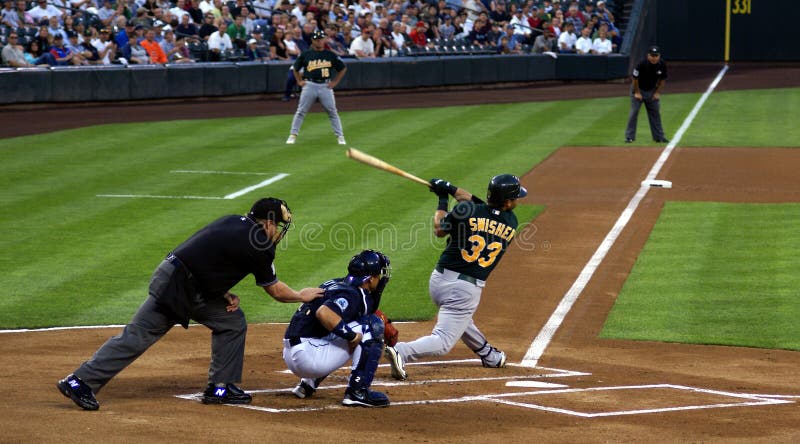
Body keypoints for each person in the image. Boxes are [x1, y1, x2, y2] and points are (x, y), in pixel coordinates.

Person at [56, 197, 323, 411]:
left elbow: (210, 258)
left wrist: (221, 293)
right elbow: (275, 291)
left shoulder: (234, 221)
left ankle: (221, 387)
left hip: (183, 277)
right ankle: (80, 381)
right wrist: (302, 295)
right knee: (140, 334)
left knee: (230, 321)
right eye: (278, 226)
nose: (278, 233)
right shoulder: (259, 242)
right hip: (178, 285)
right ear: (267, 223)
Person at [384, 174, 528, 380]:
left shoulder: (465, 210)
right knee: (443, 342)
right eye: (515, 198)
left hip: (439, 281)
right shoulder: (511, 222)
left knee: (461, 318)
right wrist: (450, 188)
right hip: (465, 290)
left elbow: (440, 228)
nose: (517, 201)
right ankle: (402, 351)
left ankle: (489, 355)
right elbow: (479, 206)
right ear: (506, 202)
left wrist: (443, 198)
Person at [283, 250, 392, 407]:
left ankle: (308, 384)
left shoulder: (338, 284)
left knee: (347, 325)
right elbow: (324, 313)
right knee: (371, 327)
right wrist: (352, 337)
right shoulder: (353, 295)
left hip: (293, 352)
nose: (380, 278)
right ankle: (358, 392)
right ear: (369, 279)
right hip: (309, 357)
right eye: (378, 275)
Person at [286, 29, 347, 145]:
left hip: (325, 86)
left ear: (324, 40)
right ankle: (293, 135)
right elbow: (295, 68)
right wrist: (299, 80)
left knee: (332, 112)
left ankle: (340, 136)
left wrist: (335, 82)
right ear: (313, 40)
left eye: (321, 39)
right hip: (310, 84)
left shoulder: (330, 54)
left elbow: (343, 68)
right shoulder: (306, 54)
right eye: (317, 39)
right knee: (301, 111)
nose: (319, 41)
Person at [625, 45, 669, 144]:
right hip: (638, 89)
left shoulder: (662, 64)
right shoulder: (642, 64)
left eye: (656, 55)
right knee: (634, 112)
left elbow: (662, 80)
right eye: (652, 55)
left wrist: (657, 93)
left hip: (651, 90)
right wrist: (637, 92)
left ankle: (659, 137)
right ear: (648, 56)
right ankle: (629, 137)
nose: (654, 58)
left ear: (659, 56)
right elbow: (635, 79)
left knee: (655, 113)